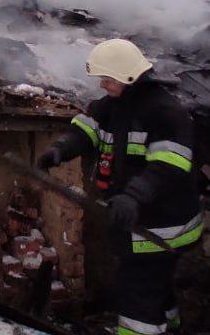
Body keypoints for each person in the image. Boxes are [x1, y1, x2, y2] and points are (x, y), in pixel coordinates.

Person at [37, 39, 203, 335]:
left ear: (129, 76)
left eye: (108, 79)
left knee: (138, 297)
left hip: (161, 227)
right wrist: (60, 150)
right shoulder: (112, 106)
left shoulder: (165, 112)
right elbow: (86, 130)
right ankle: (170, 327)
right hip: (137, 223)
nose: (102, 84)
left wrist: (132, 197)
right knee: (159, 289)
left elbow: (168, 168)